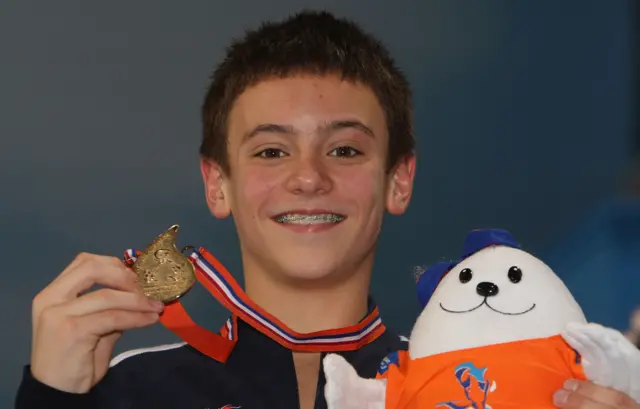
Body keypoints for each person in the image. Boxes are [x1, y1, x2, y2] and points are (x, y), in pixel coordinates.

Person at [14, 10, 640, 409]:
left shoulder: (482, 389)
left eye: (344, 148)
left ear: (399, 181)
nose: (308, 178)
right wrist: (50, 399)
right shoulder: (124, 390)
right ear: (217, 184)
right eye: (270, 151)